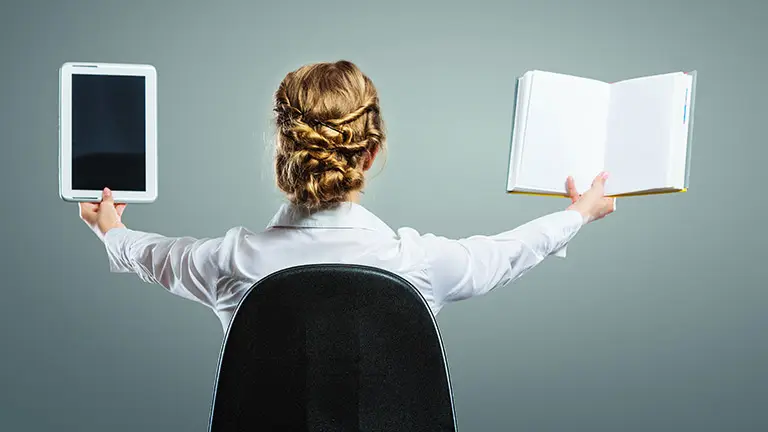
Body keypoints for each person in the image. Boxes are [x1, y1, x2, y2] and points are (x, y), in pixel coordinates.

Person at [78, 60, 615, 331]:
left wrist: (110, 228)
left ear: (282, 152)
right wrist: (579, 213)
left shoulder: (228, 262)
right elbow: (512, 250)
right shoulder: (417, 264)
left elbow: (149, 256)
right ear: (371, 154)